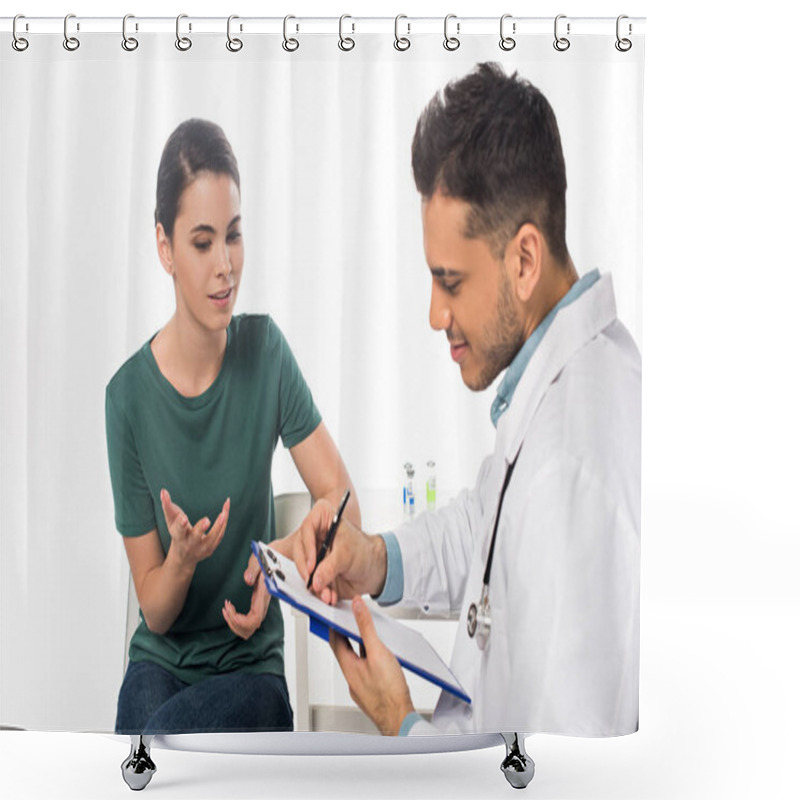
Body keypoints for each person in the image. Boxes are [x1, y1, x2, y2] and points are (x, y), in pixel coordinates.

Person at [276, 63, 641, 737]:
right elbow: (490, 526)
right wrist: (375, 558)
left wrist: (399, 722)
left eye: (450, 281)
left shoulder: (573, 464)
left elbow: (565, 774)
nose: (435, 314)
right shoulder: (557, 386)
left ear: (524, 260)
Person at [106, 118, 360, 736]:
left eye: (234, 236)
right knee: (149, 745)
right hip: (160, 666)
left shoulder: (265, 352)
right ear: (164, 247)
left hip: (252, 675)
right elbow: (157, 613)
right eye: (201, 242)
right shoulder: (127, 399)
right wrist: (184, 561)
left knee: (149, 756)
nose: (226, 265)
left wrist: (280, 563)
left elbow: (344, 510)